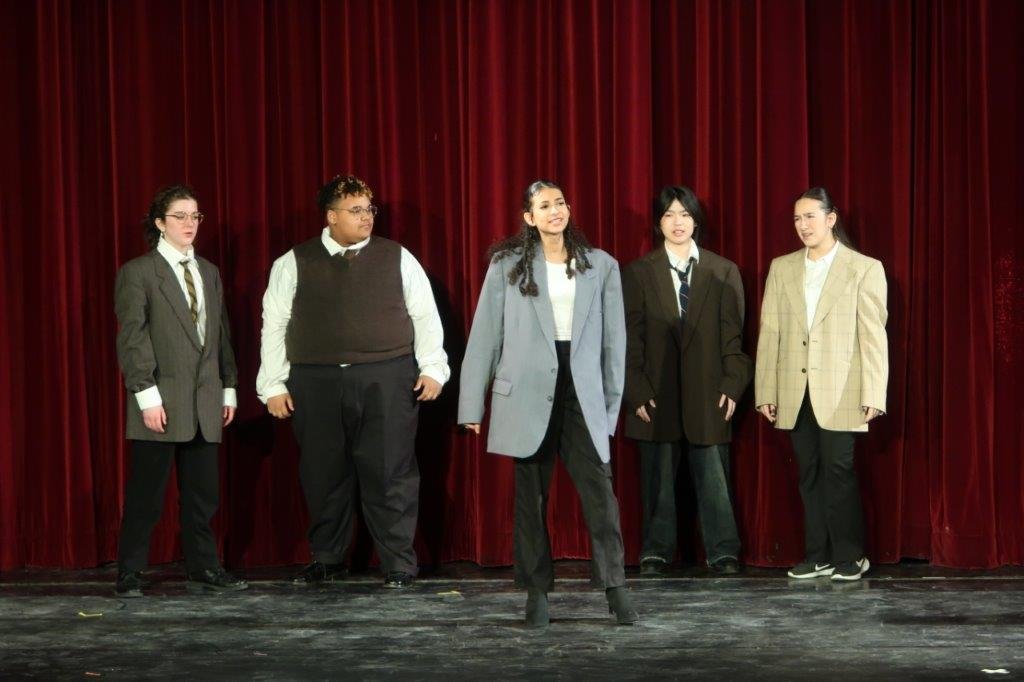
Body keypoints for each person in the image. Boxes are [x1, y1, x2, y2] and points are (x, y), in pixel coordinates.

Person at [458, 179, 637, 627]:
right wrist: (470, 406)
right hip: (527, 391)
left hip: (581, 391)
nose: (555, 210)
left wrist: (610, 409)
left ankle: (615, 588)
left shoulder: (601, 266)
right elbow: (485, 338)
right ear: (529, 218)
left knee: (601, 496)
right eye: (544, 205)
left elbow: (615, 344)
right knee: (530, 500)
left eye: (559, 203)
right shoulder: (507, 266)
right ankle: (536, 593)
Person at [257, 174, 449, 589]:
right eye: (356, 210)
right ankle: (327, 558)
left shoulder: (397, 257)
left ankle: (398, 562)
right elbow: (274, 324)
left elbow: (425, 315)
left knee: (390, 471)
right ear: (330, 217)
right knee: (324, 473)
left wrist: (433, 368)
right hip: (316, 381)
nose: (366, 217)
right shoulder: (293, 262)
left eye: (369, 209)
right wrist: (272, 384)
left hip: (387, 377)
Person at [113, 184, 247, 597]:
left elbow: (220, 334)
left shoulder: (209, 271)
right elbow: (132, 339)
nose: (190, 224)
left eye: (195, 216)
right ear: (159, 223)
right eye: (180, 217)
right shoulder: (139, 273)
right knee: (147, 496)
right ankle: (130, 571)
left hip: (206, 399)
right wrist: (146, 395)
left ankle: (203, 567)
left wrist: (229, 388)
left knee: (203, 497)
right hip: (160, 400)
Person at [754, 187, 888, 582]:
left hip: (842, 387)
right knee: (808, 471)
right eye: (797, 219)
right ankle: (817, 555)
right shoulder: (782, 267)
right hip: (794, 389)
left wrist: (874, 393)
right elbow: (770, 331)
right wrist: (766, 390)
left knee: (839, 469)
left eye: (810, 216)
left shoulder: (863, 267)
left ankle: (850, 555)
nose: (802, 225)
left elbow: (872, 337)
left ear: (831, 219)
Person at [622, 185, 752, 576]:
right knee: (658, 479)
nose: (677, 222)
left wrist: (733, 383)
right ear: (658, 222)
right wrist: (637, 389)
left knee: (714, 474)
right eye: (668, 215)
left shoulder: (722, 270)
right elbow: (630, 340)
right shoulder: (638, 272)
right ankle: (656, 551)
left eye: (684, 214)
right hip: (655, 392)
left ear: (696, 220)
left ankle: (723, 550)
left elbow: (735, 337)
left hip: (709, 390)